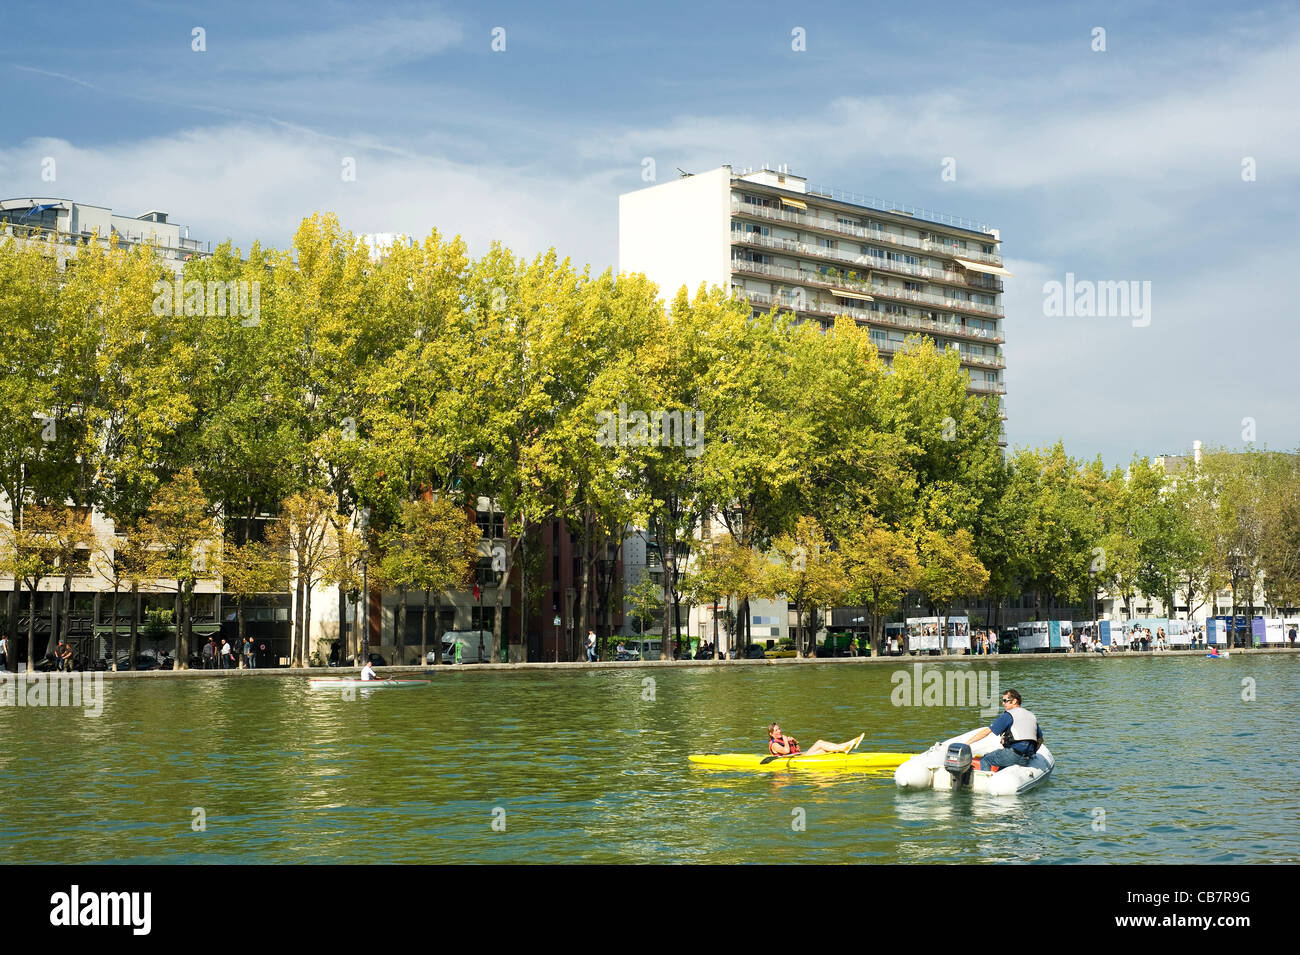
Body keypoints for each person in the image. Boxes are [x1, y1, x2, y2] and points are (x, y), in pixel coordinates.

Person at [967, 689, 1043, 772]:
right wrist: (1032, 753)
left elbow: (986, 732)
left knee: (985, 759)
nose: (1003, 703)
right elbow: (1040, 740)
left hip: (1013, 755)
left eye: (1005, 701)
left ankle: (987, 783)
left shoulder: (1009, 715)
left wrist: (967, 743)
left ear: (1014, 701)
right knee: (1002, 765)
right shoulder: (1031, 715)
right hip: (1026, 759)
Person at [767, 722, 864, 757]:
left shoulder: (783, 740)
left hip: (801, 756)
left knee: (823, 749)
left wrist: (795, 742)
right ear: (771, 734)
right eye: (776, 730)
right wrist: (785, 739)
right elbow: (787, 751)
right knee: (820, 743)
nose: (779, 731)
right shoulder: (774, 744)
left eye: (779, 729)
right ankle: (845, 747)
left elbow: (798, 750)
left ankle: (846, 746)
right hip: (799, 760)